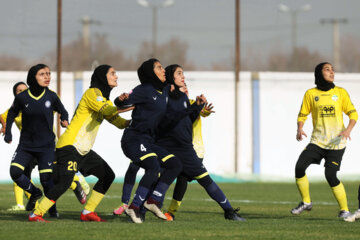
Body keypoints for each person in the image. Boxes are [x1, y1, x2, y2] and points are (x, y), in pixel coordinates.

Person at [28, 65, 130, 222]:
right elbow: (109, 111)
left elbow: (119, 122)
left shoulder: (105, 100)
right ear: (103, 76)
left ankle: (88, 212)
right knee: (65, 182)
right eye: (112, 73)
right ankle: (36, 213)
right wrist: (136, 105)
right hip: (69, 146)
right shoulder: (92, 93)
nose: (116, 76)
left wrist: (138, 118)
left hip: (83, 150)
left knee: (108, 176)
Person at [113, 58, 205, 223]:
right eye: (159, 67)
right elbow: (121, 104)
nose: (163, 70)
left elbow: (174, 115)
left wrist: (196, 107)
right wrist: (120, 100)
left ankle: (152, 201)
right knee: (153, 167)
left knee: (175, 164)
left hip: (149, 141)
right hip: (134, 140)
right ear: (151, 72)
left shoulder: (164, 90)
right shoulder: (144, 90)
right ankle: (133, 208)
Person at [154, 64, 244, 221]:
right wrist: (194, 108)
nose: (183, 77)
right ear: (171, 78)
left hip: (187, 149)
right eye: (179, 73)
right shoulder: (166, 97)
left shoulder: (183, 99)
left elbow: (187, 117)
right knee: (155, 175)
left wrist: (198, 108)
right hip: (172, 147)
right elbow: (171, 118)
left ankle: (228, 211)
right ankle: (139, 208)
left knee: (194, 180)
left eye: (183, 74)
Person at [291, 62, 357, 218]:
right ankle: (306, 202)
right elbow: (302, 114)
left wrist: (348, 130)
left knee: (330, 175)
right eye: (327, 69)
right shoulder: (310, 94)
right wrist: (300, 128)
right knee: (299, 168)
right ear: (319, 73)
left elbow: (353, 114)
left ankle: (344, 210)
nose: (332, 72)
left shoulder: (340, 93)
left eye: (333, 69)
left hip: (336, 143)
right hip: (318, 141)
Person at [4, 64, 69, 217]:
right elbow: (11, 114)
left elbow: (63, 110)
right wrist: (8, 133)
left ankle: (52, 211)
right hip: (26, 146)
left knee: (46, 180)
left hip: (46, 147)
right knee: (15, 172)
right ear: (33, 77)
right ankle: (34, 193)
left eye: (48, 73)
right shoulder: (22, 97)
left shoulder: (52, 96)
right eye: (42, 74)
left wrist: (64, 119)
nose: (47, 77)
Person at [1, 82, 34, 210]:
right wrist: (4, 126)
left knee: (54, 176)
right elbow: (2, 116)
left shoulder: (36, 104)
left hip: (43, 145)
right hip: (27, 147)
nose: (21, 92)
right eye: (18, 90)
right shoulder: (15, 108)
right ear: (15, 94)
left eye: (24, 90)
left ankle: (76, 182)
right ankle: (22, 204)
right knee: (18, 173)